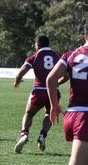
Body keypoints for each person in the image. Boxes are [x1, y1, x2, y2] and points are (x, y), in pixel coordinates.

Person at [47, 25, 88, 165]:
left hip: (72, 114)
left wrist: (54, 105)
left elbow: (51, 79)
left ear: (84, 35)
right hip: (84, 117)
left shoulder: (71, 54)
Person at [13, 35, 61, 153]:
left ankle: (24, 134)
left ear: (37, 45)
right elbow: (66, 75)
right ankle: (42, 135)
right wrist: (57, 82)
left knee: (29, 114)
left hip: (39, 91)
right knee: (49, 114)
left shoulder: (34, 57)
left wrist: (17, 81)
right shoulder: (58, 56)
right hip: (54, 91)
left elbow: (20, 73)